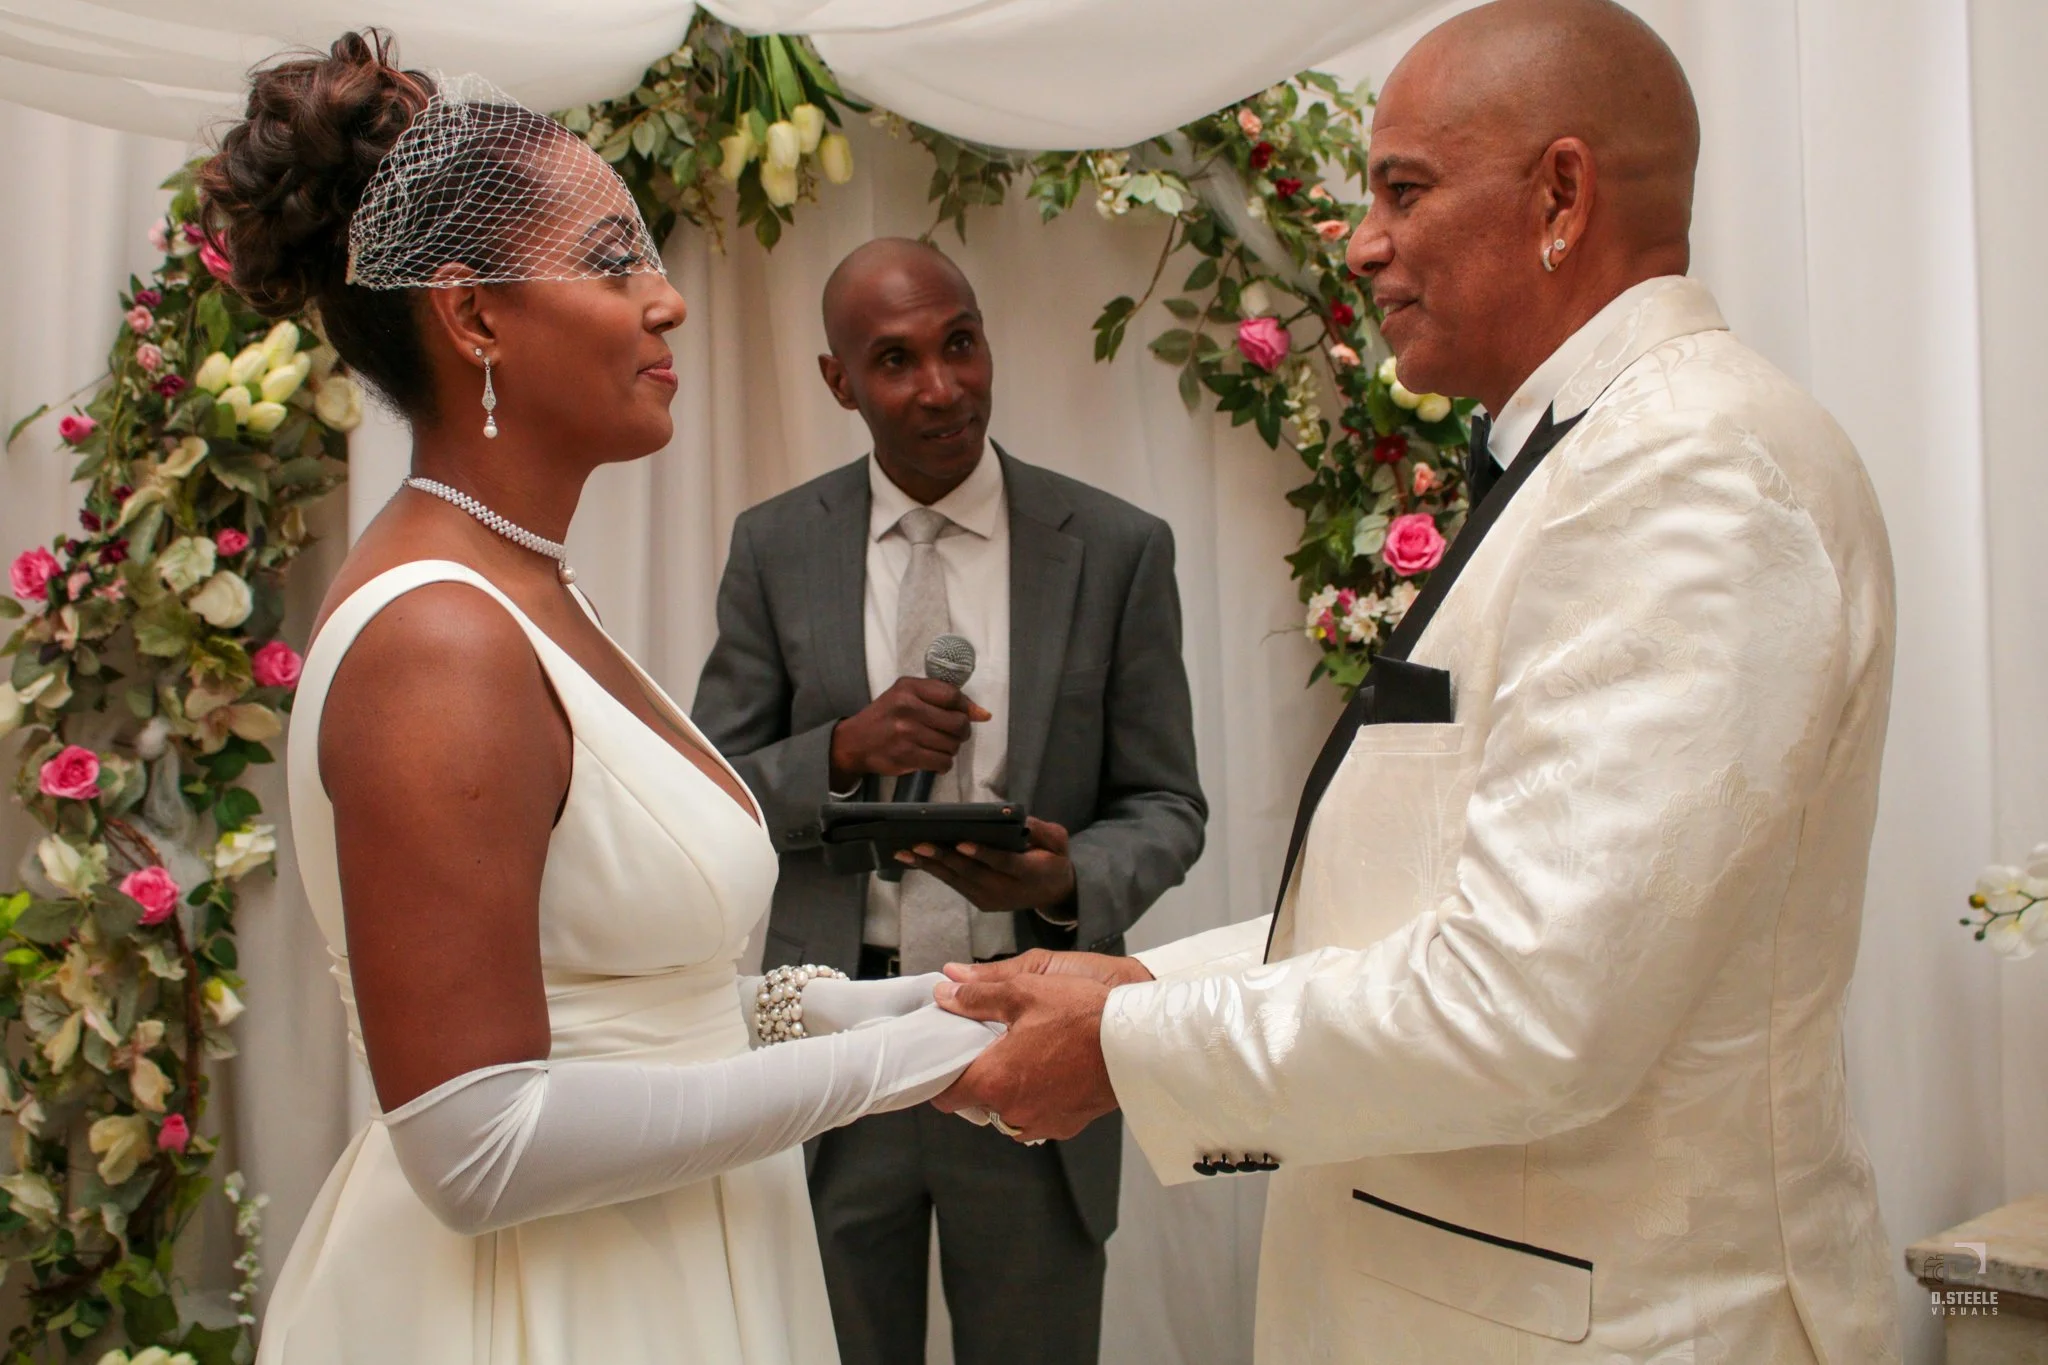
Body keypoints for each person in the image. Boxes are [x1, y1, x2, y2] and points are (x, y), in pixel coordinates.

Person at [933, 2, 1904, 1361]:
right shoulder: (1599, 455)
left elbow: (1531, 1008)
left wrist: (1128, 1049)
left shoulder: (1689, 468)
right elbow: (1432, 909)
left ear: (1561, 193)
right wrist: (1130, 990)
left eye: (1404, 189)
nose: (1364, 240)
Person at [208, 33, 998, 1365]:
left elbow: (638, 1007)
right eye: (611, 258)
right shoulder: (439, 637)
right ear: (473, 317)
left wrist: (947, 1000)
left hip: (674, 1255)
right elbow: (478, 1140)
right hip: (545, 1307)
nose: (667, 301)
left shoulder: (526, 591)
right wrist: (896, 1070)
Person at [691, 237, 1206, 1365]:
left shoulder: (1116, 548)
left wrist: (1064, 880)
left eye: (960, 345)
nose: (941, 387)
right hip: (832, 1049)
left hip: (1031, 1040)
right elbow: (707, 790)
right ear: (838, 382)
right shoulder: (775, 546)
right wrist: (839, 751)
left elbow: (1167, 802)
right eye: (895, 361)